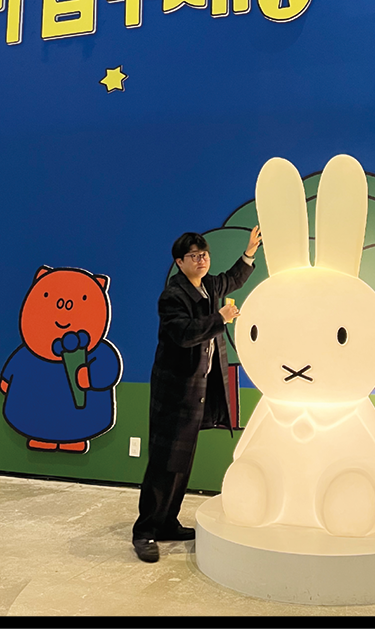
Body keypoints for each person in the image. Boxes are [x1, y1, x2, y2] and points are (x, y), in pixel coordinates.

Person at [132, 226, 261, 562]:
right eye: (193, 255)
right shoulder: (173, 296)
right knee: (164, 464)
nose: (201, 260)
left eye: (204, 254)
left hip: (197, 389)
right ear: (179, 261)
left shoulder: (207, 286)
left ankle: (167, 523)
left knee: (183, 461)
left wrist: (249, 251)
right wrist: (220, 318)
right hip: (174, 391)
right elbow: (184, 334)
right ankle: (145, 531)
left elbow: (233, 278)